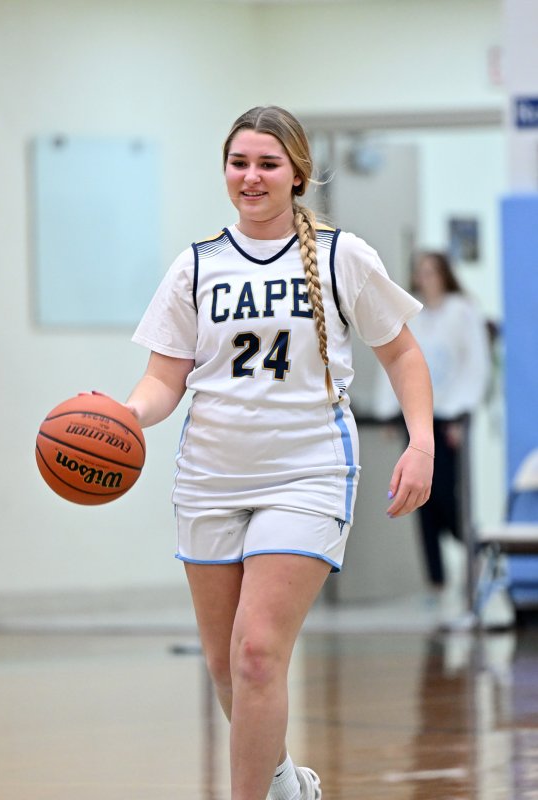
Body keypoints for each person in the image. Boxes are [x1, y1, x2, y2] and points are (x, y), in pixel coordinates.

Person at [126, 106, 434, 800]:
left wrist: (421, 443)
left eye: (268, 163)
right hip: (209, 475)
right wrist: (125, 415)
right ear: (225, 171)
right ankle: (286, 784)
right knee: (227, 665)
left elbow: (402, 353)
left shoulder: (340, 255)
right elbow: (162, 379)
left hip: (308, 472)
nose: (252, 176)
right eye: (240, 162)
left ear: (298, 172)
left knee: (260, 652)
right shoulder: (196, 266)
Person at [374, 251, 490, 594]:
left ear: (444, 273)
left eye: (430, 271)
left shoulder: (463, 312)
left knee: (443, 495)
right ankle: (436, 580)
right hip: (416, 416)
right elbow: (396, 358)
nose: (424, 277)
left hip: (449, 420)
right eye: (419, 271)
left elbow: (475, 364)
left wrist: (460, 413)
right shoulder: (414, 315)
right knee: (417, 501)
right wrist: (389, 411)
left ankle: (476, 551)